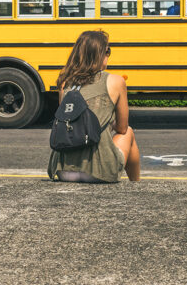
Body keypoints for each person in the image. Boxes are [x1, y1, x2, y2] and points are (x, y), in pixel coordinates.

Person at [47, 30, 141, 183]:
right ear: (99, 54)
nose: (108, 55)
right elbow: (122, 128)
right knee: (129, 133)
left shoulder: (65, 83)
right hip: (99, 172)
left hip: (63, 171)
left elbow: (70, 123)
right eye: (107, 51)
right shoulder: (116, 81)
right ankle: (136, 184)